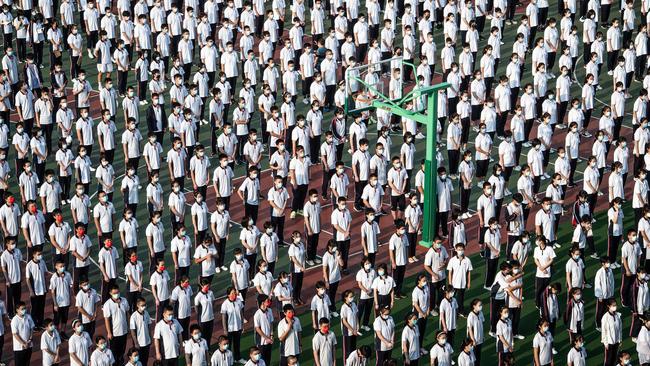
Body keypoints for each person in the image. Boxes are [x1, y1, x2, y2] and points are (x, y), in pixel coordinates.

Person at [129, 297, 153, 364]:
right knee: (138, 361)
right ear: (137, 305)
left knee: (145, 360)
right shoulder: (134, 316)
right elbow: (133, 331)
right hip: (139, 344)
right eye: (142, 305)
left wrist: (150, 338)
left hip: (147, 342)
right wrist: (136, 343)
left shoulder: (146, 313)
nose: (144, 307)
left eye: (145, 305)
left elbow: (149, 326)